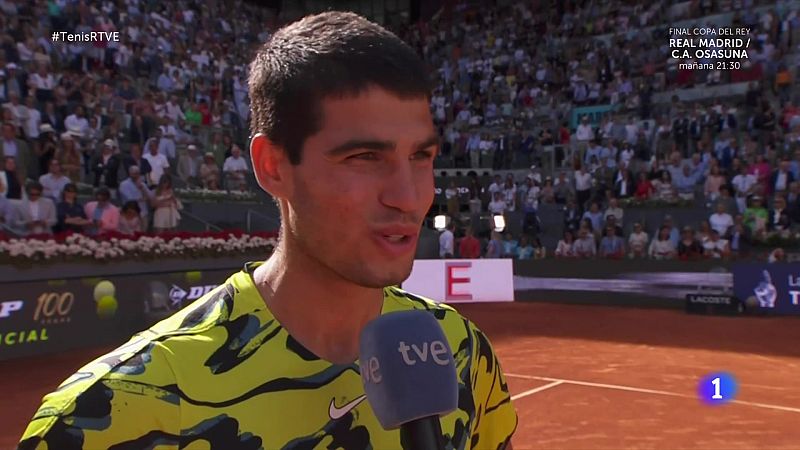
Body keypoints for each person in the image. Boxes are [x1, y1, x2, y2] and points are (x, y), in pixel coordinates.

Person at [21, 13, 517, 450]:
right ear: (273, 166)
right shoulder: (108, 415)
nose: (409, 197)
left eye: (421, 157)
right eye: (365, 158)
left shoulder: (462, 352)